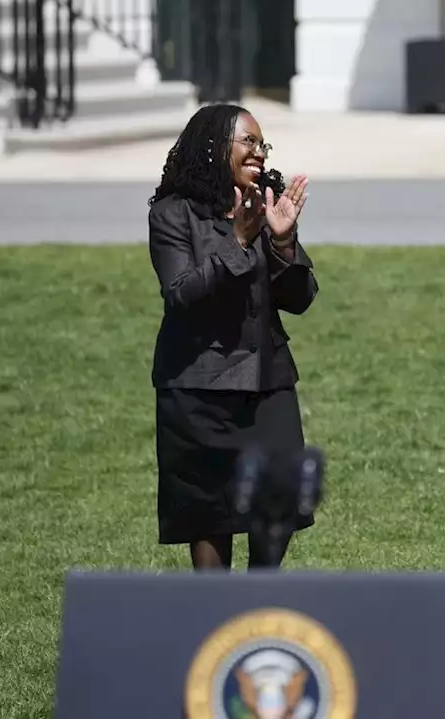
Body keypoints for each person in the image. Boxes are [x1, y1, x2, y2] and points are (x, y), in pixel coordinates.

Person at [147, 104, 318, 571]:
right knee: (210, 516)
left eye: (263, 145)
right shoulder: (171, 215)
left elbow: (299, 298)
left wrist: (282, 242)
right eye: (248, 142)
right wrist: (239, 241)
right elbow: (181, 293)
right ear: (213, 146)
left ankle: (258, 598)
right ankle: (217, 618)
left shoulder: (263, 205)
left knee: (277, 504)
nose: (259, 153)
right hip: (197, 389)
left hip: (268, 384)